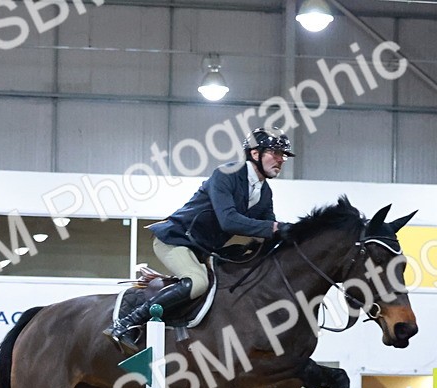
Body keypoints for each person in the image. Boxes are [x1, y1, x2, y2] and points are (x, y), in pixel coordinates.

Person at [106, 127, 295, 349]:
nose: (281, 160)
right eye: (276, 153)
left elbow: (267, 232)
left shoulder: (265, 193)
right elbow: (229, 221)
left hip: (202, 250)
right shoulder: (227, 174)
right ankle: (126, 323)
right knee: (198, 282)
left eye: (283, 155)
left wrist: (293, 236)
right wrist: (275, 227)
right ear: (255, 153)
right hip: (175, 240)